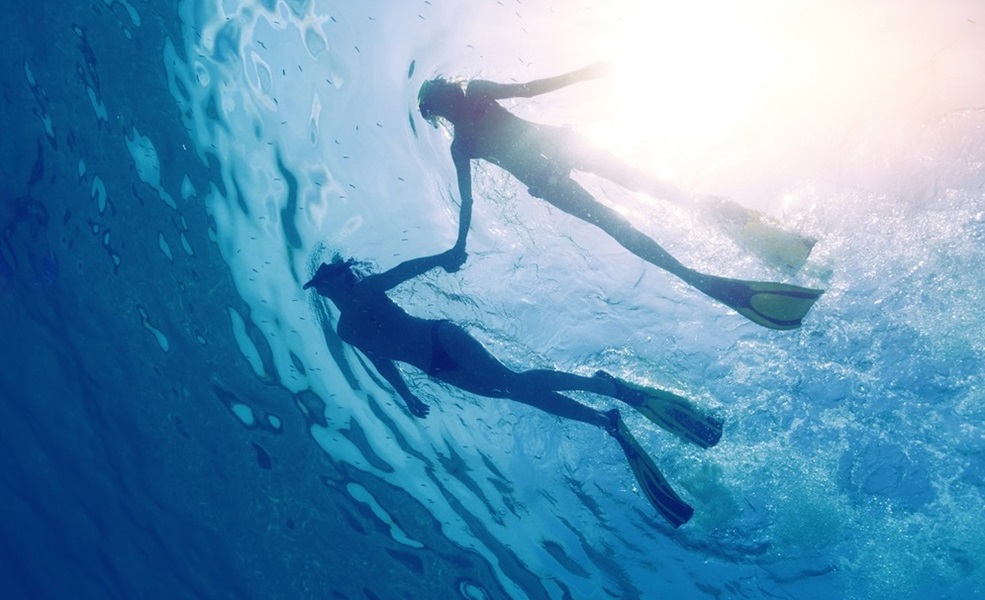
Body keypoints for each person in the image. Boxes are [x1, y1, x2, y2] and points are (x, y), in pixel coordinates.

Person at [304, 250, 723, 527]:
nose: (326, 286)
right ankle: (605, 420)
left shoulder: (365, 290)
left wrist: (444, 257)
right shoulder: (345, 330)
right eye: (322, 283)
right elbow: (382, 360)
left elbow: (404, 271)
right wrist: (407, 395)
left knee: (511, 382)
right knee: (513, 391)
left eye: (328, 279)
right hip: (436, 368)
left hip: (441, 338)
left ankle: (605, 387)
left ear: (339, 278)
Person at [417, 63, 824, 330]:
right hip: (552, 166)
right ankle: (693, 274)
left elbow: (531, 89)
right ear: (443, 106)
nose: (449, 101)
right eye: (443, 99)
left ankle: (713, 248)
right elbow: (468, 200)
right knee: (625, 214)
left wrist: (585, 73)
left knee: (643, 194)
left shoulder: (470, 115)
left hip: (554, 159)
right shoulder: (463, 140)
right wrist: (458, 244)